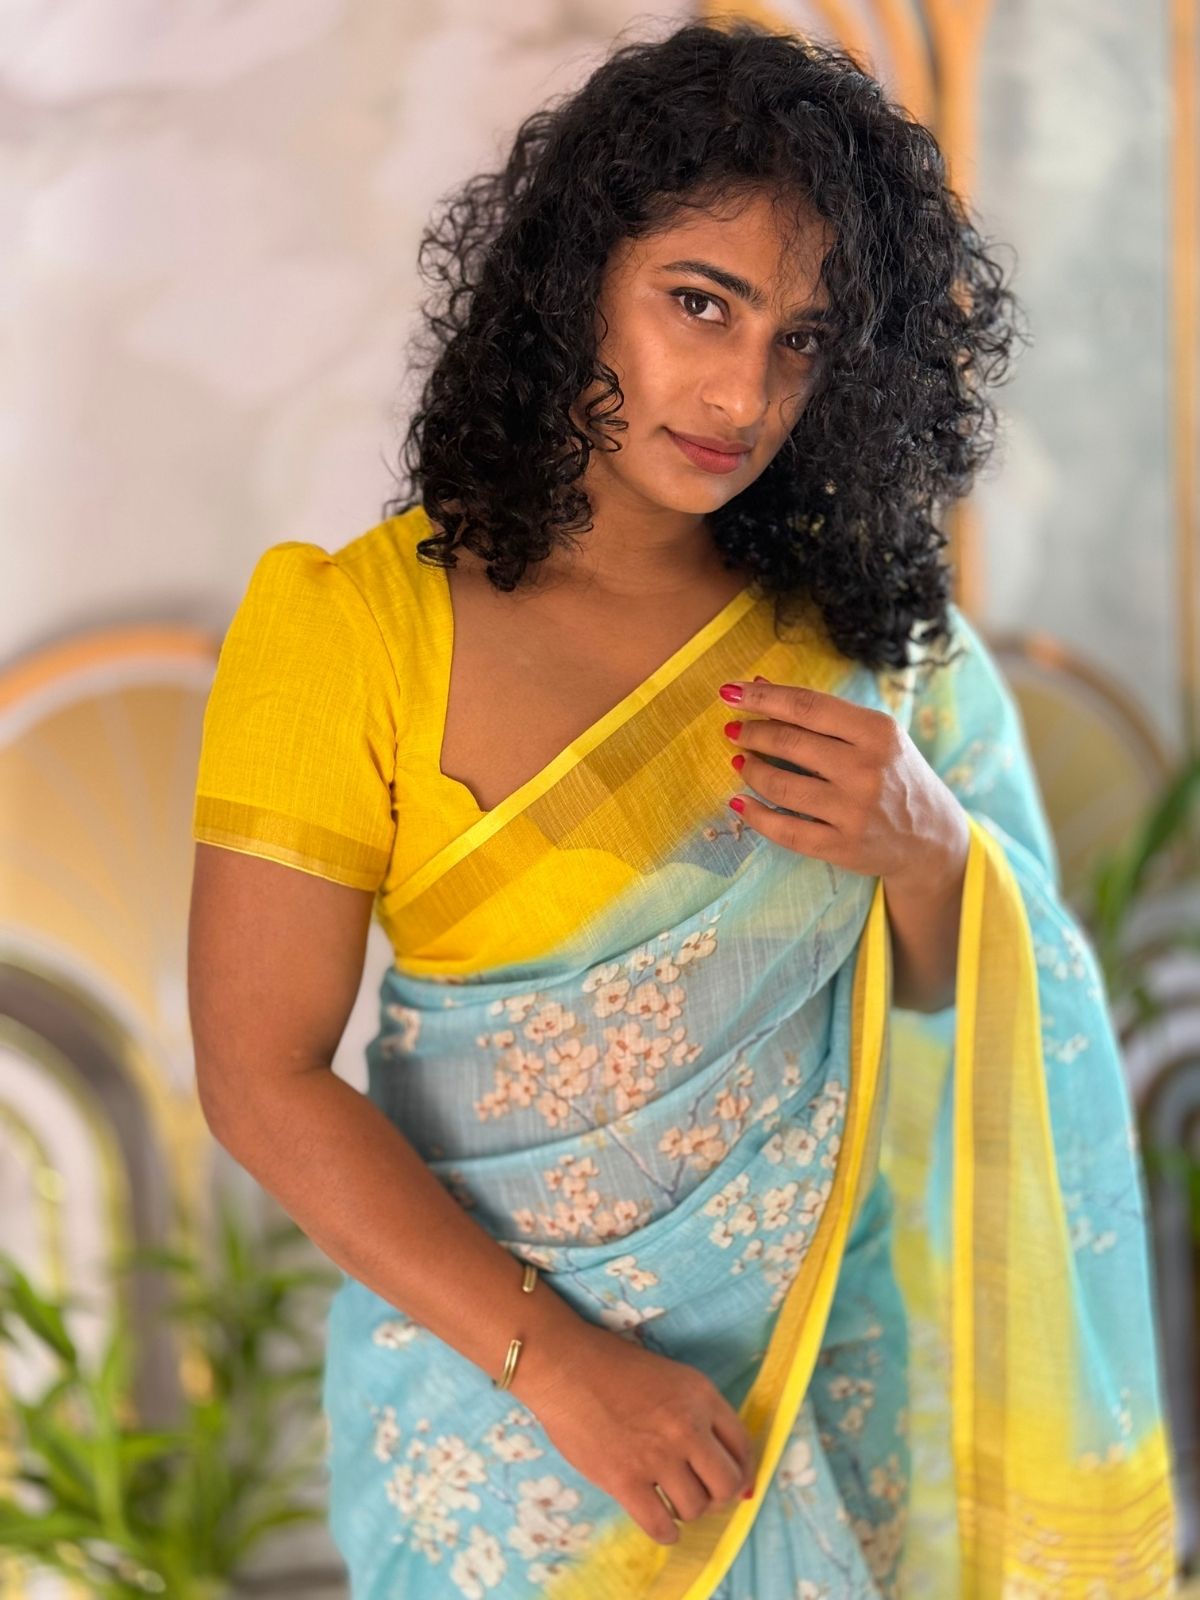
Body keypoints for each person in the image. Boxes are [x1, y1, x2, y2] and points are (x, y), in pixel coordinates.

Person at [187, 20, 1178, 1598]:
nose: (742, 390)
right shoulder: (353, 629)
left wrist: (931, 853)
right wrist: (567, 1370)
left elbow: (960, 999)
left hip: (822, 1392)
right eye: (701, 302)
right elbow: (259, 1077)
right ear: (577, 279)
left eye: (804, 339)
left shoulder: (873, 637)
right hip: (501, 1433)